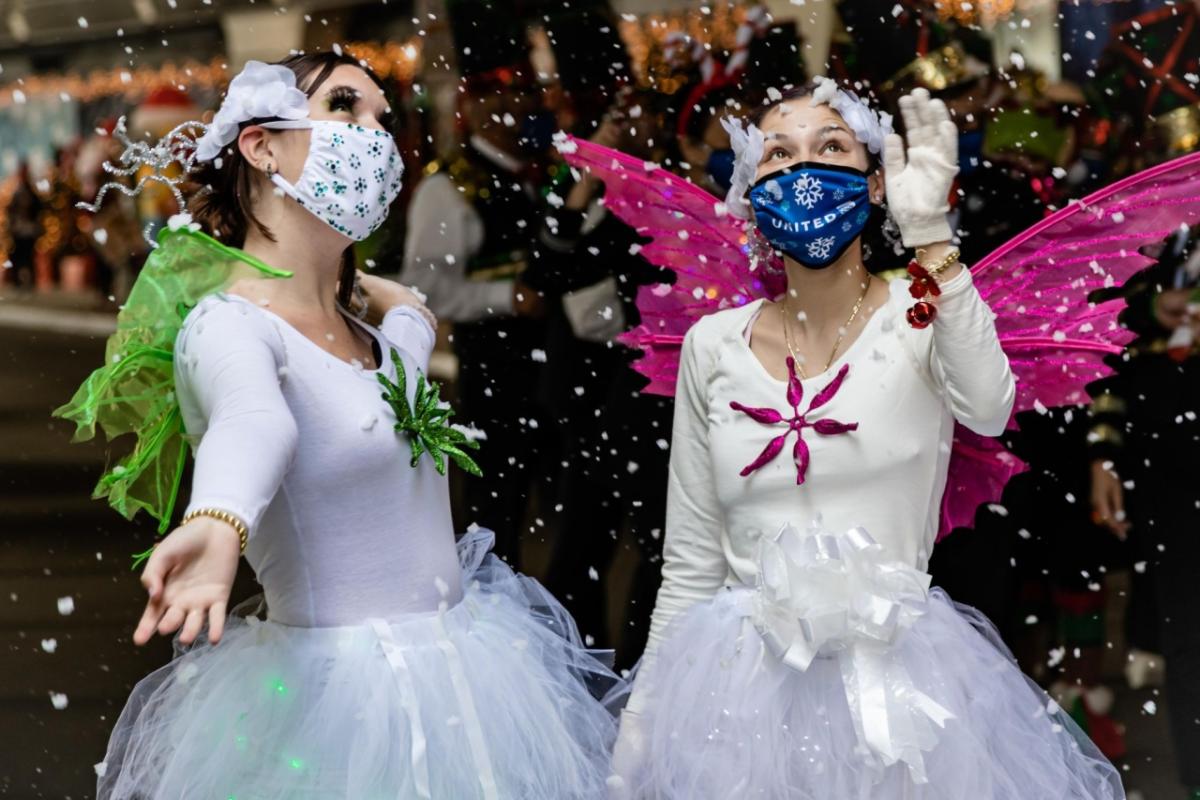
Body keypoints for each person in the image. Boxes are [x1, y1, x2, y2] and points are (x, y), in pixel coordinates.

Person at [60, 52, 617, 799]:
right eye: (346, 108)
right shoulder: (229, 327)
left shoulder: (377, 339)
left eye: (383, 118)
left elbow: (415, 313)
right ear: (261, 145)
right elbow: (254, 421)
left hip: (467, 681)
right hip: (340, 713)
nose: (376, 134)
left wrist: (344, 279)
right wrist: (220, 520)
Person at [608, 79, 1124, 798]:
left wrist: (933, 240)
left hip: (901, 694)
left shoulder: (924, 317)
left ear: (874, 183)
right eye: (778, 155)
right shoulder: (710, 345)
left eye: (831, 148)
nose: (803, 172)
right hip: (737, 707)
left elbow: (988, 407)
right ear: (749, 193)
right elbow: (691, 568)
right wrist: (635, 747)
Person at [399, 15, 555, 567]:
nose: (525, 106)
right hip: (496, 369)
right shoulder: (449, 188)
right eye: (509, 93)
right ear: (479, 107)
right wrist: (503, 299)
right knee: (497, 515)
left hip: (557, 368)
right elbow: (424, 288)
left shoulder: (548, 174)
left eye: (529, 92)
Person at [1088, 225, 1200, 798]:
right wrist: (1104, 459)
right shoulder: (1164, 231)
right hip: (1169, 484)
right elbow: (1109, 365)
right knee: (1185, 638)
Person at [3, 161, 42, 289]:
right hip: (19, 229)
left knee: (28, 256)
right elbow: (11, 210)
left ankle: (30, 282)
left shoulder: (31, 191)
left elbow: (37, 209)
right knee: (18, 256)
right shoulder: (16, 190)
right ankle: (18, 282)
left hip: (28, 229)